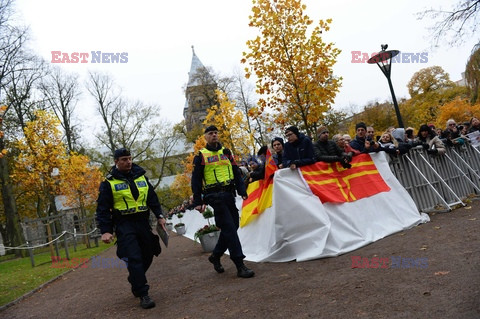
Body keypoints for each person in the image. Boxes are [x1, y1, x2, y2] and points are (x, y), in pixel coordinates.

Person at [96, 148, 166, 309]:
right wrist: (105, 230)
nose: (128, 162)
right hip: (124, 224)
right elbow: (102, 209)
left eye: (129, 158)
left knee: (149, 253)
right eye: (124, 159)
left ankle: (135, 278)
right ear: (116, 162)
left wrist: (160, 216)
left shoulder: (141, 177)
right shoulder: (109, 183)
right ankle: (143, 294)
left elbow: (152, 198)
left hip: (142, 221)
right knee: (134, 257)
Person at [191, 125, 254, 278]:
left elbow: (236, 173)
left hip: (228, 194)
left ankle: (216, 255)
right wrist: (197, 200)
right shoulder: (201, 155)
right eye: (210, 133)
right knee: (229, 228)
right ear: (205, 137)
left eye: (215, 133)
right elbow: (196, 180)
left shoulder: (226, 152)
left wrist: (242, 190)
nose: (214, 135)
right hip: (214, 196)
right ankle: (240, 264)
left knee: (233, 225)